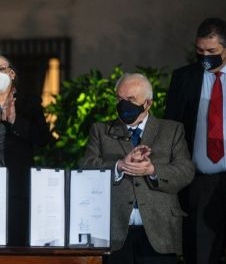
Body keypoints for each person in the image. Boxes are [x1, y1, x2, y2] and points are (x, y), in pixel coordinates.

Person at [79, 73, 194, 264]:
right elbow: (85, 167)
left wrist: (153, 170)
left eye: (131, 99)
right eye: (119, 99)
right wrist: (119, 166)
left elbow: (185, 171)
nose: (123, 105)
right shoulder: (101, 130)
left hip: (160, 232)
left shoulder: (172, 130)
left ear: (147, 103)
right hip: (114, 234)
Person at [0, 50, 51, 246]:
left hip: (19, 180)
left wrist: (16, 122)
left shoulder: (30, 103)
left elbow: (43, 140)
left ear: (12, 73)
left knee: (17, 241)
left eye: (0, 69)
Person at [165, 17, 226, 264]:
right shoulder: (184, 79)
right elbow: (171, 129)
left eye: (212, 52)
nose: (205, 57)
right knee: (200, 254)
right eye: (200, 51)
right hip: (199, 182)